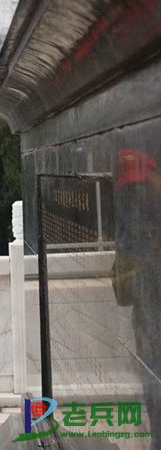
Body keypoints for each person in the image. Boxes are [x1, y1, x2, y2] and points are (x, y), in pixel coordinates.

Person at [111, 148, 161, 448]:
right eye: (131, 190)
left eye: (143, 185)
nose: (139, 196)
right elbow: (123, 294)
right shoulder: (131, 230)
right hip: (151, 342)